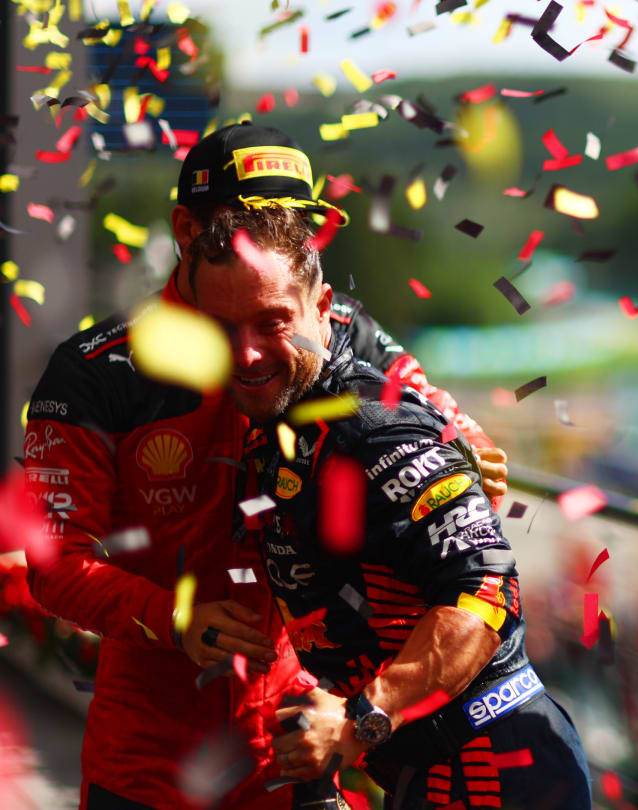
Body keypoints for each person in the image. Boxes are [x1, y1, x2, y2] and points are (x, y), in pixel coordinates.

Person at [22, 122, 509, 809]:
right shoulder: (96, 372)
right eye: (253, 224)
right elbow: (51, 563)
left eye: (296, 226)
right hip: (145, 763)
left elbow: (467, 448)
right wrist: (173, 618)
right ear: (187, 229)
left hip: (297, 748)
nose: (279, 244)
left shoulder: (337, 331)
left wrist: (465, 459)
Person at [184, 201, 590, 809]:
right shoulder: (285, 420)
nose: (246, 355)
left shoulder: (373, 427)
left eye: (271, 323)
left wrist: (359, 722)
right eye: (224, 328)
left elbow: (485, 592)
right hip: (425, 769)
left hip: (495, 767)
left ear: (322, 310)